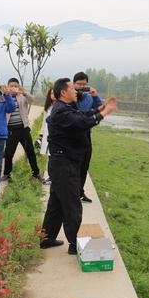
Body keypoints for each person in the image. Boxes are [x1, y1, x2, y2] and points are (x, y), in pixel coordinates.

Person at [41, 78, 117, 253]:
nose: (76, 91)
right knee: (72, 206)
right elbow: (82, 123)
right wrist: (105, 113)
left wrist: (100, 108)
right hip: (64, 164)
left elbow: (82, 116)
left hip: (63, 163)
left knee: (56, 204)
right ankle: (76, 246)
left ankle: (46, 239)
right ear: (63, 92)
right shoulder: (61, 111)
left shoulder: (66, 108)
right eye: (72, 88)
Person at [1, 78, 44, 182]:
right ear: (8, 86)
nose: (13, 88)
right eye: (11, 86)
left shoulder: (22, 97)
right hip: (11, 129)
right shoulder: (4, 97)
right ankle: (7, 173)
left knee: (30, 151)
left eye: (15, 86)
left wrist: (24, 92)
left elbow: (31, 99)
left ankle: (36, 173)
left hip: (23, 129)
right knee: (9, 153)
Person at [72, 72, 103, 203]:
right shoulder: (69, 96)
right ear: (73, 84)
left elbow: (100, 109)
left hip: (85, 135)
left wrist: (95, 96)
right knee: (72, 166)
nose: (81, 86)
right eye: (78, 84)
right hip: (71, 135)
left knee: (84, 165)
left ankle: (80, 192)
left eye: (84, 84)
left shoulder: (89, 98)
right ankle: (71, 193)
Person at [37, 87, 56, 185]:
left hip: (57, 136)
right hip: (48, 134)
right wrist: (41, 135)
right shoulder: (48, 107)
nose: (53, 95)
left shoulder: (62, 106)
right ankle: (50, 177)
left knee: (54, 157)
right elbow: (44, 122)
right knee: (50, 157)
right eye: (52, 93)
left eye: (55, 93)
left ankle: (54, 177)